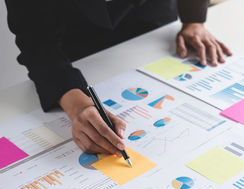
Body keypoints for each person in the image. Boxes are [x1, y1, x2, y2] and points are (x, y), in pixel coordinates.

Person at [6, 0, 231, 157]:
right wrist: (77, 104)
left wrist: (194, 20)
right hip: (79, 41)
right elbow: (37, 43)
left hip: (153, 25)